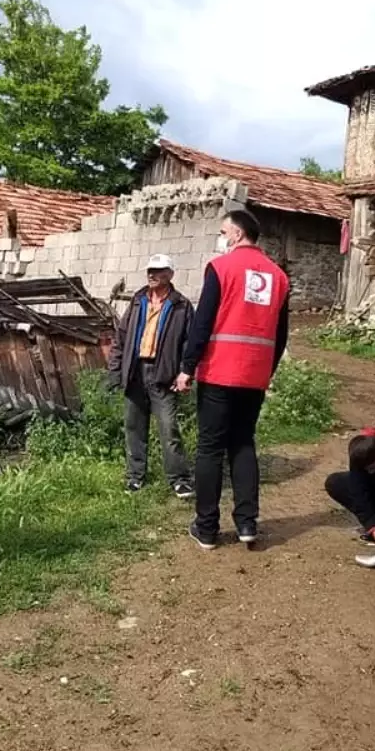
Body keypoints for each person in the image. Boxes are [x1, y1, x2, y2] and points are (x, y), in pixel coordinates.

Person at [175, 209, 289, 549]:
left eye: (225, 232)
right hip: (254, 376)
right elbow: (281, 335)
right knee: (243, 444)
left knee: (210, 448)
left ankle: (207, 528)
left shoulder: (221, 268)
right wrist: (265, 371)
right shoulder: (279, 276)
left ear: (237, 235)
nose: (222, 238)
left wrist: (187, 366)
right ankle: (247, 524)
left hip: (220, 371)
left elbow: (203, 322)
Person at [107, 254, 196, 498]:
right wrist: (116, 370)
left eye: (157, 271)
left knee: (169, 428)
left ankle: (179, 479)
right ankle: (135, 477)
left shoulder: (181, 305)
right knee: (134, 427)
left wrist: (185, 372)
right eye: (149, 270)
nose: (151, 275)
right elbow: (121, 337)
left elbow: (190, 343)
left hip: (163, 374)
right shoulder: (138, 300)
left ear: (170, 274)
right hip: (135, 372)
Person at [324, 426, 375, 546]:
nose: (369, 472)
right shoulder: (360, 456)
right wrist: (372, 525)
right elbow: (358, 489)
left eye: (372, 468)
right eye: (365, 470)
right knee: (335, 482)